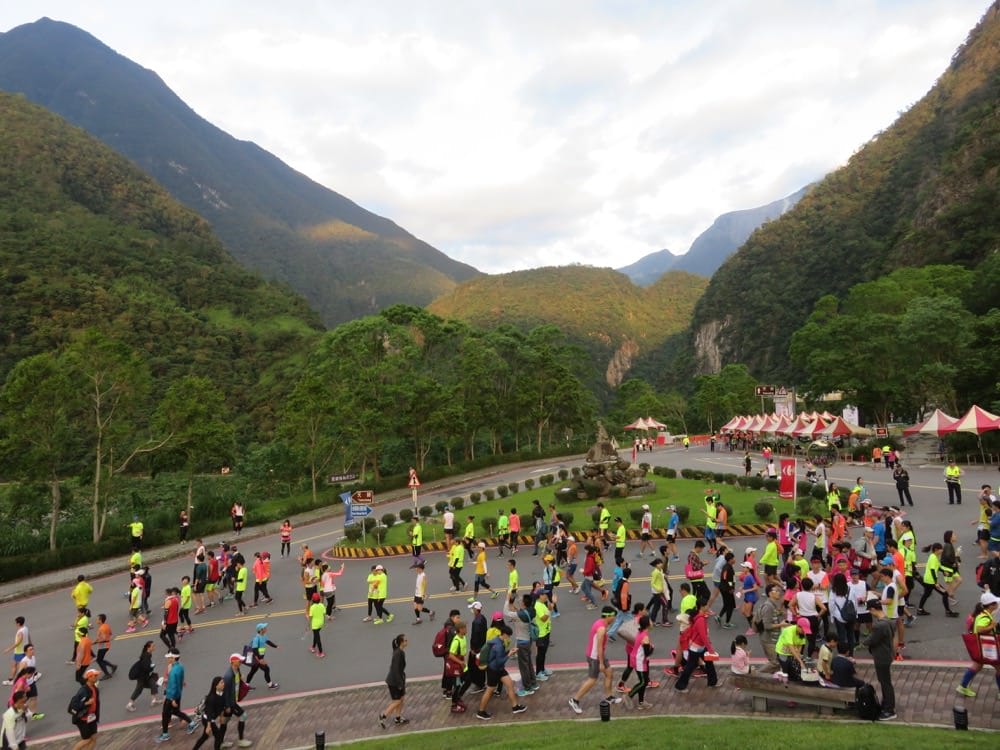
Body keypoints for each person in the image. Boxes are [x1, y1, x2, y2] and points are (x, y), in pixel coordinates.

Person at [475, 622, 526, 720]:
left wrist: (508, 652)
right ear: (504, 634)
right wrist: (509, 654)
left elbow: (498, 657)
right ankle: (481, 712)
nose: (509, 638)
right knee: (489, 691)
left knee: (510, 684)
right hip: (494, 670)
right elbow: (499, 661)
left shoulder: (497, 640)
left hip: (499, 669)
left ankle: (515, 707)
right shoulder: (498, 645)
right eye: (509, 636)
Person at [956, 592, 1000, 697]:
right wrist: (992, 626)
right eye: (995, 603)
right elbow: (980, 629)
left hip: (981, 648)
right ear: (991, 605)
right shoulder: (985, 617)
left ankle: (962, 686)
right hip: (988, 648)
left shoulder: (983, 614)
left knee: (977, 666)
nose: (997, 605)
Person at [674, 599, 718, 692]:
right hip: (697, 647)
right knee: (690, 666)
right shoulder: (701, 620)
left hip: (698, 646)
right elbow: (703, 636)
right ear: (702, 607)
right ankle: (680, 686)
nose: (708, 607)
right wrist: (710, 649)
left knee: (708, 663)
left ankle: (712, 682)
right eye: (706, 605)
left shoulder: (699, 617)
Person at [154, 649, 197, 743]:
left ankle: (165, 734)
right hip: (178, 694)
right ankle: (192, 723)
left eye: (169, 657)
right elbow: (179, 681)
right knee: (176, 711)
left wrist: (172, 699)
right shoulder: (180, 666)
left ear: (173, 658)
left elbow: (173, 685)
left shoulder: (173, 671)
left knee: (165, 714)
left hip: (171, 696)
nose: (168, 659)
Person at [863, 599, 896, 719]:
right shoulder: (889, 620)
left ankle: (889, 709)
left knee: (885, 682)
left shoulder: (878, 625)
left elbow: (871, 640)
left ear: (872, 609)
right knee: (886, 682)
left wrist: (864, 642)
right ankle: (887, 704)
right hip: (888, 654)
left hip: (881, 656)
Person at [221, 653, 252, 747]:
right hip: (230, 703)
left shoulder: (236, 669)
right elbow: (225, 692)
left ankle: (220, 743)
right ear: (233, 662)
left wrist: (242, 679)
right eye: (239, 661)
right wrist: (227, 706)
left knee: (225, 721)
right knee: (243, 716)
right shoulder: (228, 676)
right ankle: (241, 740)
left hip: (232, 700)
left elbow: (237, 680)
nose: (241, 662)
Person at [379, 634, 409, 728]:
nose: (407, 641)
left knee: (401, 699)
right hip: (394, 682)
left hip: (398, 679)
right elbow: (395, 669)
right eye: (406, 640)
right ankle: (383, 715)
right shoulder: (398, 654)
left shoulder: (400, 652)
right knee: (397, 701)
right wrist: (400, 683)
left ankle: (398, 718)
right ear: (401, 642)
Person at [68, 667, 101, 750]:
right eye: (95, 676)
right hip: (83, 719)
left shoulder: (95, 688)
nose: (97, 677)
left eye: (97, 675)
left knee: (94, 737)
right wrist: (86, 703)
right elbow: (74, 705)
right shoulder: (83, 691)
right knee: (87, 740)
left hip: (92, 717)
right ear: (89, 678)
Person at [191, 676, 227, 750]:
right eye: (221, 683)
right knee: (218, 736)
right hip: (207, 719)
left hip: (210, 719)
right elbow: (209, 713)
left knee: (205, 737)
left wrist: (221, 716)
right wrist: (208, 726)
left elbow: (221, 706)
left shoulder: (222, 694)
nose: (223, 684)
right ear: (216, 686)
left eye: (223, 682)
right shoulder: (212, 698)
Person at [125, 640, 160, 712]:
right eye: (153, 646)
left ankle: (154, 700)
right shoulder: (147, 655)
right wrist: (152, 667)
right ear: (148, 648)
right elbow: (146, 667)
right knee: (139, 689)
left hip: (144, 676)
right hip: (142, 677)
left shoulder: (147, 654)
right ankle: (129, 704)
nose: (154, 647)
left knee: (153, 683)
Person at [245, 623, 279, 689]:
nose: (266, 628)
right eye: (264, 628)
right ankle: (270, 685)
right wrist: (260, 660)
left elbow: (268, 642)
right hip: (256, 658)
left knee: (253, 671)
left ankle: (246, 686)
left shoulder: (264, 635)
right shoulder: (256, 638)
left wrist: (276, 646)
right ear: (261, 630)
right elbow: (254, 650)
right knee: (266, 669)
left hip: (259, 656)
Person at [775, 617, 809, 682]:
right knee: (785, 669)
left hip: (791, 652)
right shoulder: (789, 631)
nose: (804, 632)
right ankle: (781, 680)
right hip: (783, 652)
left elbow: (800, 646)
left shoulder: (802, 634)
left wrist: (798, 656)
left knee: (793, 672)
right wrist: (800, 662)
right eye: (803, 630)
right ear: (798, 626)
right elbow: (791, 647)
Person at [3, 618, 29, 685]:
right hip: (23, 649)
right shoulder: (25, 628)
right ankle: (11, 679)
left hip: (19, 651)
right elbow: (28, 637)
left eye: (16, 623)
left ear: (18, 623)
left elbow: (18, 643)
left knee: (21, 666)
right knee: (15, 665)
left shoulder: (20, 632)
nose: (15, 624)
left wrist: (8, 649)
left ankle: (22, 679)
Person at [93, 613, 117, 679]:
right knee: (100, 659)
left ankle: (107, 674)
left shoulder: (101, 628)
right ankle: (113, 666)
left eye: (97, 619)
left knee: (99, 661)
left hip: (103, 646)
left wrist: (96, 642)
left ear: (100, 620)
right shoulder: (106, 626)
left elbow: (103, 638)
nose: (96, 621)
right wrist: (96, 641)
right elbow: (110, 634)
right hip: (106, 645)